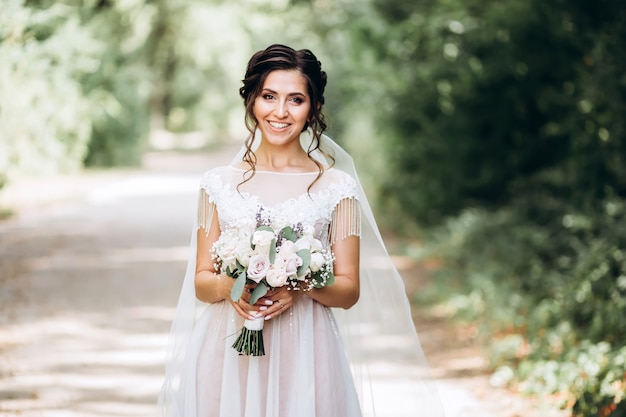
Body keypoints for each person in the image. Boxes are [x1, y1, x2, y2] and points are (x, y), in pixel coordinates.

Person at [159, 44, 444, 417]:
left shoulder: (336, 188)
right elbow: (201, 281)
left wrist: (298, 281)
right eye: (269, 96)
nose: (280, 112)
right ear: (251, 100)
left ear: (314, 108)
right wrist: (232, 287)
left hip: (306, 347)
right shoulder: (216, 184)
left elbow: (349, 291)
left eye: (295, 99)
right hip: (227, 350)